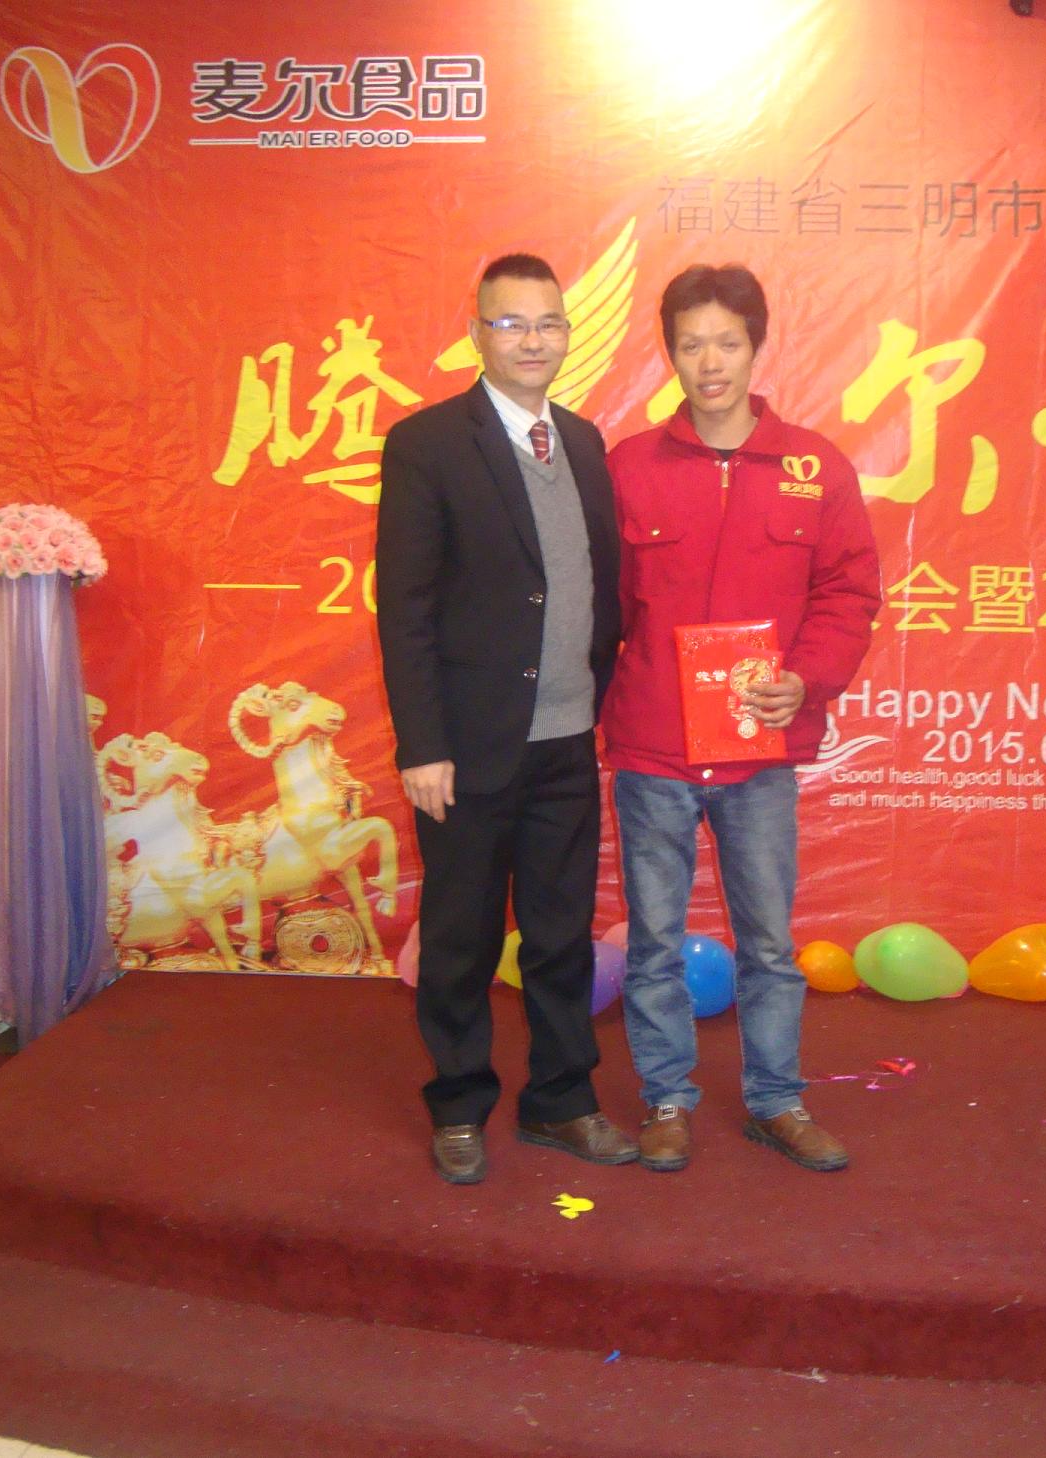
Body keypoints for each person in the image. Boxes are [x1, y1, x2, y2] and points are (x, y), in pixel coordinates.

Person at [602, 264, 881, 1174]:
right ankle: (666, 1100)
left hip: (761, 753)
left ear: (757, 346)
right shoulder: (629, 468)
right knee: (653, 943)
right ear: (669, 353)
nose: (710, 362)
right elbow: (601, 607)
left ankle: (776, 1101)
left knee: (768, 942)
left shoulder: (815, 467)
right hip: (654, 750)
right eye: (691, 345)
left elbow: (849, 593)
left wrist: (806, 681)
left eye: (727, 342)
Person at [376, 253, 638, 1184]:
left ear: (569, 333)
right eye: (512, 323)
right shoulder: (428, 443)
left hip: (567, 740)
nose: (534, 340)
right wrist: (423, 745)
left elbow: (599, 584)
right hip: (466, 748)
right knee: (461, 938)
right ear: (477, 333)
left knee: (562, 936)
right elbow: (404, 607)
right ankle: (458, 1104)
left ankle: (561, 1101)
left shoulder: (586, 442)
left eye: (549, 323)